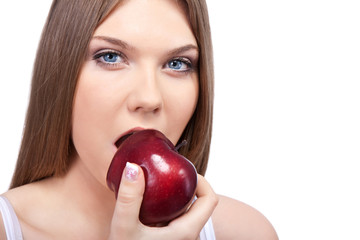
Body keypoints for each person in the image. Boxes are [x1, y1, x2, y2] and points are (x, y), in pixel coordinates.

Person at [0, 0, 278, 239]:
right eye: (110, 56)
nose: (150, 98)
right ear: (62, 70)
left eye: (177, 63)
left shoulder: (245, 232)